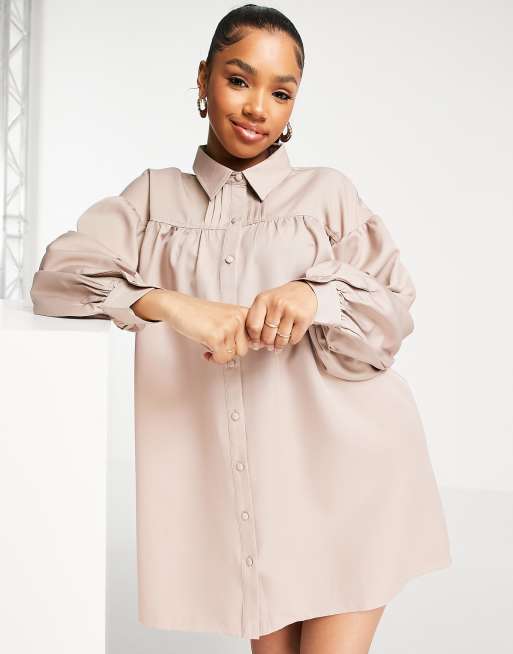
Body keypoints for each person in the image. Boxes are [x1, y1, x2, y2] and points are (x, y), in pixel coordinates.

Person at [30, 4, 452, 653]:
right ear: (203, 79)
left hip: (351, 480)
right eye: (238, 79)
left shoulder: (327, 196)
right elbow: (57, 278)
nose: (258, 107)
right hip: (247, 503)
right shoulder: (152, 199)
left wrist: (315, 295)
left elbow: (391, 318)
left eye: (281, 92)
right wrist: (170, 304)